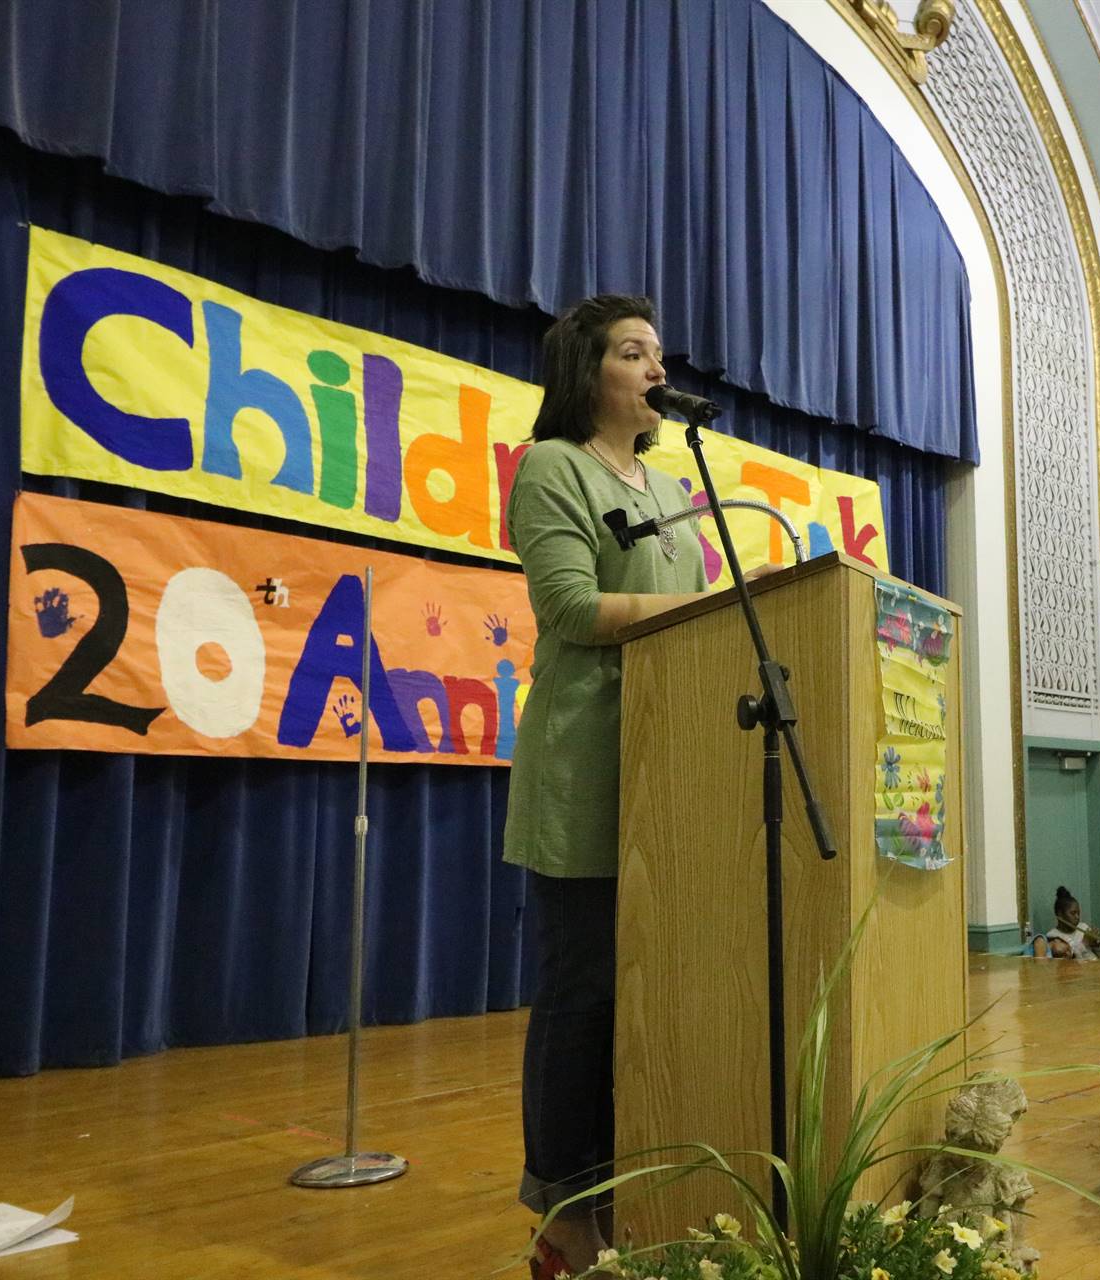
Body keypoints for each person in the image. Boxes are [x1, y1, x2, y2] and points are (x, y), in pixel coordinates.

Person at [504, 295, 719, 1278]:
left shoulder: (678, 486)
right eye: (634, 351)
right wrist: (699, 610)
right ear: (587, 370)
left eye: (659, 353)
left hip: (669, 781)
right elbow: (568, 605)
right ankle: (561, 1215)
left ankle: (628, 1193)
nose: (655, 367)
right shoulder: (552, 466)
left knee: (648, 1002)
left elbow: (709, 621)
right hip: (587, 771)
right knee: (584, 994)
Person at [1045, 885, 1100, 959]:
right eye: (1073, 913)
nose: (1077, 917)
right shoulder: (1053, 936)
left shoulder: (1083, 927)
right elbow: (1070, 959)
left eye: (1078, 913)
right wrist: (1084, 942)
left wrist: (1096, 944)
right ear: (1060, 914)